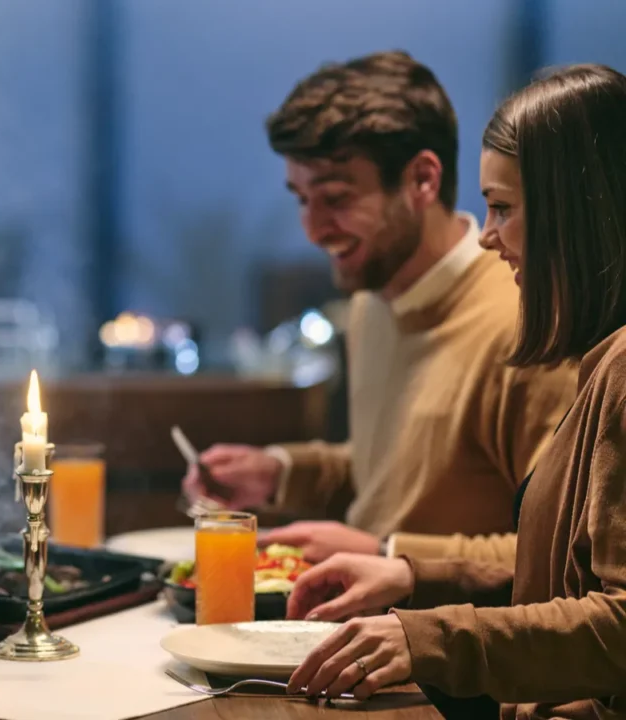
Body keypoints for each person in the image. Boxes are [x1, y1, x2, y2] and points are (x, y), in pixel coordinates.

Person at [285, 64, 626, 718]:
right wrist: (413, 574)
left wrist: (431, 635)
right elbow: (555, 575)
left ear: (576, 213)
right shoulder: (602, 355)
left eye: (505, 207)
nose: (490, 235)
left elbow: (618, 622)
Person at [181, 51, 577, 565]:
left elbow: (563, 558)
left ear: (422, 180)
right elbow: (400, 476)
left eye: (336, 199)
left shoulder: (528, 326)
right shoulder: (372, 300)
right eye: (301, 199)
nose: (313, 230)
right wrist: (280, 472)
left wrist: (388, 554)